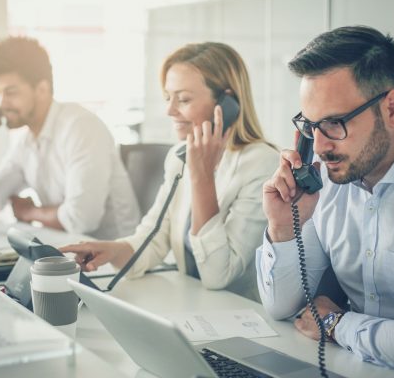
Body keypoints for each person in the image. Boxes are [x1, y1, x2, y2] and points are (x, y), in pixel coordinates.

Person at [257, 26, 394, 376]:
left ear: (392, 108)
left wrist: (337, 325)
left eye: (335, 123)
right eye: (311, 124)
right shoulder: (331, 180)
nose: (319, 146)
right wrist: (283, 228)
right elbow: (281, 307)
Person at [60, 42, 278, 300]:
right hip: (194, 305)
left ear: (226, 103)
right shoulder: (179, 157)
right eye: (168, 97)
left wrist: (202, 176)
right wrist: (112, 250)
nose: (170, 110)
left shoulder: (262, 164)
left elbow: (219, 274)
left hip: (244, 315)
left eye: (183, 99)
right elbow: (154, 237)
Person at [0, 36, 139, 239]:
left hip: (113, 261)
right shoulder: (26, 141)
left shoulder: (80, 128)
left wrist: (30, 213)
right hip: (69, 252)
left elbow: (81, 220)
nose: (0, 103)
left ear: (42, 90)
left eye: (11, 92)